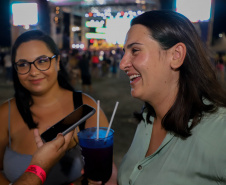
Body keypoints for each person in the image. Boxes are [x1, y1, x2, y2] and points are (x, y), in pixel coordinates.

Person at [118, 10, 226, 185]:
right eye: (124, 52)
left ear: (176, 56)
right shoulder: (147, 120)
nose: (122, 63)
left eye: (135, 50)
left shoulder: (220, 130)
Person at [0, 30, 117, 185]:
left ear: (57, 62)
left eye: (42, 61)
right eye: (23, 64)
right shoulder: (5, 113)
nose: (33, 72)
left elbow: (107, 171)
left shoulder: (85, 106)